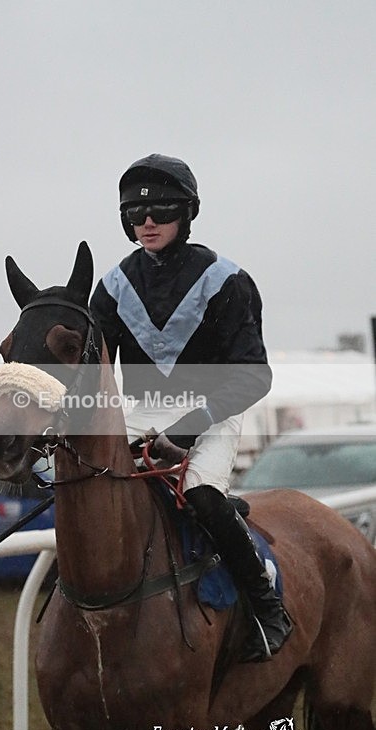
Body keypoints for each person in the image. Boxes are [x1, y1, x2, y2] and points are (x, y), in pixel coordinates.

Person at [90, 153, 292, 662]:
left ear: (187, 212)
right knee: (92, 481)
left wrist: (186, 430)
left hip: (212, 407)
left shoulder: (226, 280)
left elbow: (253, 375)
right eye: (136, 215)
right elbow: (93, 373)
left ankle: (267, 606)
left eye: (160, 210)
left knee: (201, 493)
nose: (148, 222)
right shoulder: (112, 288)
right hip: (141, 411)